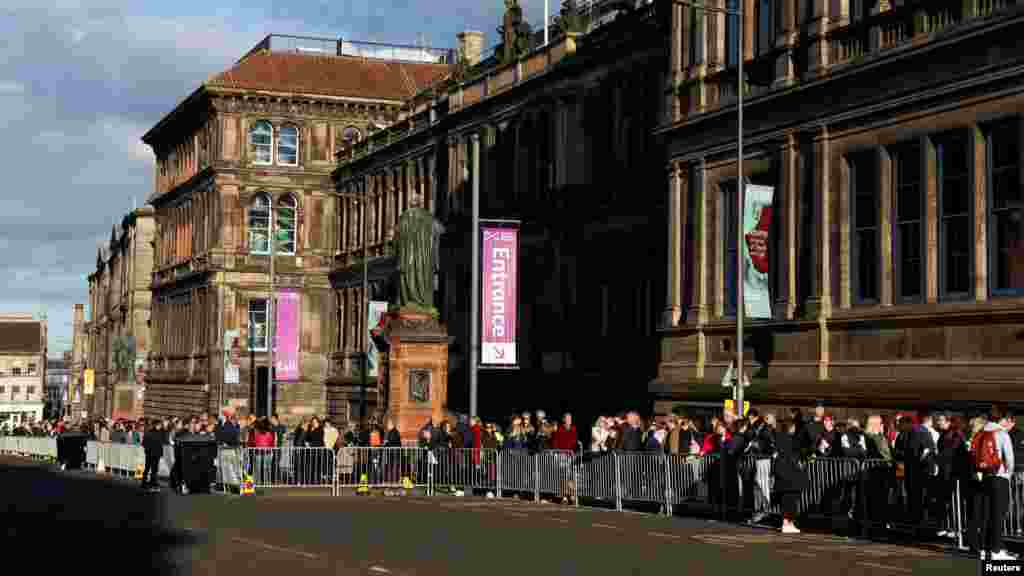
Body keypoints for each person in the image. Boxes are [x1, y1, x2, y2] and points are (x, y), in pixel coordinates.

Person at [968, 408, 1016, 560]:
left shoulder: (981, 433)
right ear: (1003, 419)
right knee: (998, 515)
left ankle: (984, 549)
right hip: (999, 477)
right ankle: (996, 550)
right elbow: (1009, 458)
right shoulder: (1001, 433)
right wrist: (1008, 473)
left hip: (985, 477)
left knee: (986, 515)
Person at [774, 417, 808, 533]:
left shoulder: (778, 438)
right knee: (791, 500)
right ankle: (788, 523)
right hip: (790, 473)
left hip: (781, 473)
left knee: (785, 500)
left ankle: (786, 522)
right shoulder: (790, 440)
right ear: (791, 427)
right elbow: (794, 456)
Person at [141, 420, 165, 492]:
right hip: (153, 453)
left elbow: (144, 443)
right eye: (160, 425)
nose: (161, 426)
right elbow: (144, 443)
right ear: (156, 425)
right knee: (152, 469)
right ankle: (151, 483)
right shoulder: (152, 433)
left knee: (150, 469)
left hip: (152, 453)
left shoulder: (156, 432)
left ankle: (147, 482)